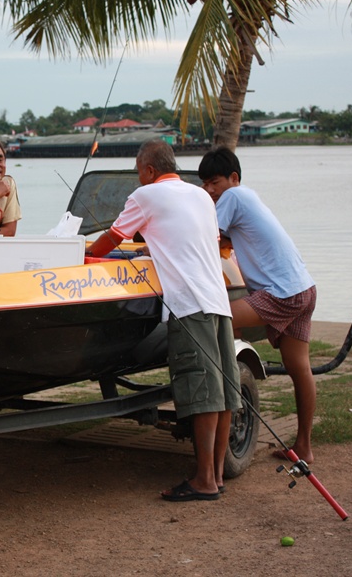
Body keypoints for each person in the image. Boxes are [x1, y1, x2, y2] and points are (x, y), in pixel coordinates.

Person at [87, 139, 241, 501]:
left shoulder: (146, 197)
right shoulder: (201, 196)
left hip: (189, 305)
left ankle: (203, 481)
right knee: (223, 392)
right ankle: (215, 474)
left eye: (139, 171)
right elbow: (192, 238)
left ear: (149, 169)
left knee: (202, 392)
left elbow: (111, 238)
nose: (138, 179)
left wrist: (83, 253)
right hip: (219, 301)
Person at [198, 147, 317, 464]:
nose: (209, 190)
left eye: (214, 182)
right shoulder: (248, 198)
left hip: (282, 292)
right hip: (304, 288)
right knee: (299, 369)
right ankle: (303, 446)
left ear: (233, 178)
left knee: (218, 320)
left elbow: (205, 239)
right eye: (204, 184)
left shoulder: (232, 198)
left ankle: (223, 410)